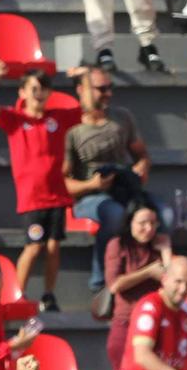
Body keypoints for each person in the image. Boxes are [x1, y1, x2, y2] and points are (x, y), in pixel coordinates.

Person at [0, 64, 70, 313]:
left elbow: (86, 110)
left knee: (53, 246)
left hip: (57, 195)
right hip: (32, 198)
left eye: (43, 89)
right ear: (22, 92)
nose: (38, 93)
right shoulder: (15, 120)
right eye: (33, 88)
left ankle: (49, 294)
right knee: (33, 247)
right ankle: (17, 293)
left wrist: (83, 80)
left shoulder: (56, 119)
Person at [65, 62, 155, 293]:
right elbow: (64, 183)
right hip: (89, 197)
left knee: (162, 214)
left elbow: (142, 155)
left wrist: (142, 167)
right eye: (101, 89)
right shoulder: (71, 126)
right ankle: (101, 282)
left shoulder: (122, 117)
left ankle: (150, 279)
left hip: (124, 188)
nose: (108, 93)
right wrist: (91, 184)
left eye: (110, 87)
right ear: (82, 90)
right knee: (114, 213)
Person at [102, 204, 169, 370]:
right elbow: (114, 284)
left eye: (153, 223)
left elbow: (172, 283)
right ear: (130, 223)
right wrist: (148, 272)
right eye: (143, 223)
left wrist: (167, 251)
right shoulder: (118, 245)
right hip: (126, 321)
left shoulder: (158, 246)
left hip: (154, 323)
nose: (148, 229)